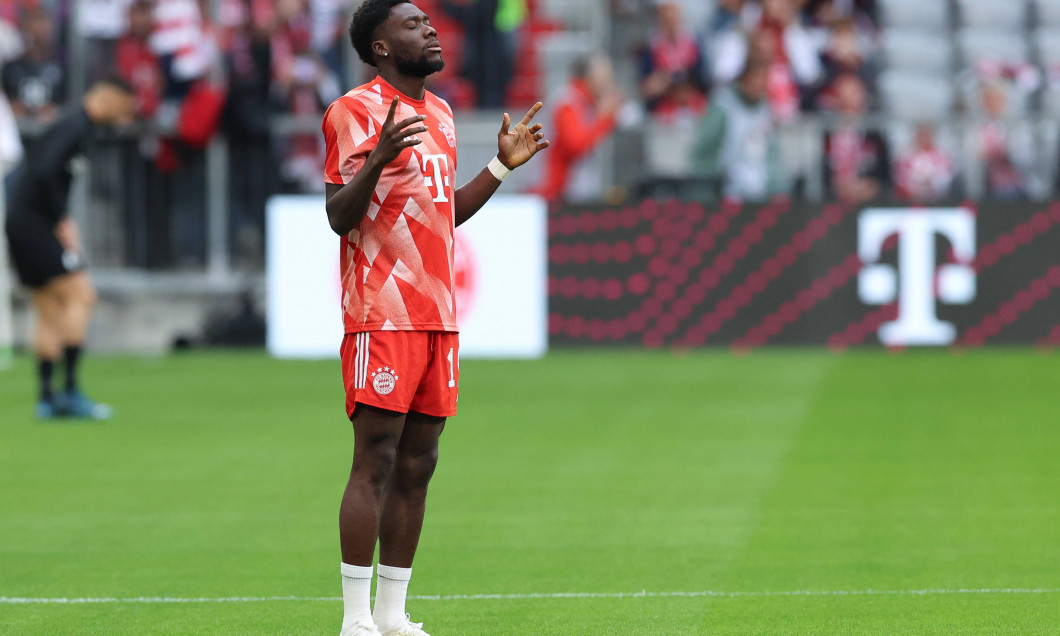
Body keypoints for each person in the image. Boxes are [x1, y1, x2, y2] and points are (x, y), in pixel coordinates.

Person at [321, 2, 548, 635]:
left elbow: (444, 215)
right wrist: (376, 158)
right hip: (381, 311)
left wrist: (501, 166)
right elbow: (339, 214)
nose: (430, 29)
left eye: (429, 21)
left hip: (438, 315)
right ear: (382, 46)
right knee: (376, 457)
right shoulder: (352, 110)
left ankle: (393, 617)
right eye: (413, 24)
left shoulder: (442, 114)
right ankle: (354, 619)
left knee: (420, 464)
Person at [3, 79, 135, 419]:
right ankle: (71, 390)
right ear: (108, 97)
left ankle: (47, 398)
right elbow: (46, 172)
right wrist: (61, 220)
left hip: (21, 223)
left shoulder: (69, 124)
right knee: (81, 295)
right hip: (36, 226)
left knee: (48, 306)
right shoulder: (76, 126)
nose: (125, 116)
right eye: (124, 106)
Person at [691, 62, 786, 202]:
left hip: (761, 189)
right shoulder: (723, 107)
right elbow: (705, 144)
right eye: (755, 80)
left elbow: (771, 150)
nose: (758, 86)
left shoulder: (766, 108)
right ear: (744, 81)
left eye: (762, 81)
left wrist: (777, 186)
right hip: (726, 189)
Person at [537, 53, 623, 202]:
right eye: (606, 78)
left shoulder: (583, 103)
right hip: (553, 192)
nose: (609, 84)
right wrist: (604, 119)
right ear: (590, 78)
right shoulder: (568, 102)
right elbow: (575, 145)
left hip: (564, 192)